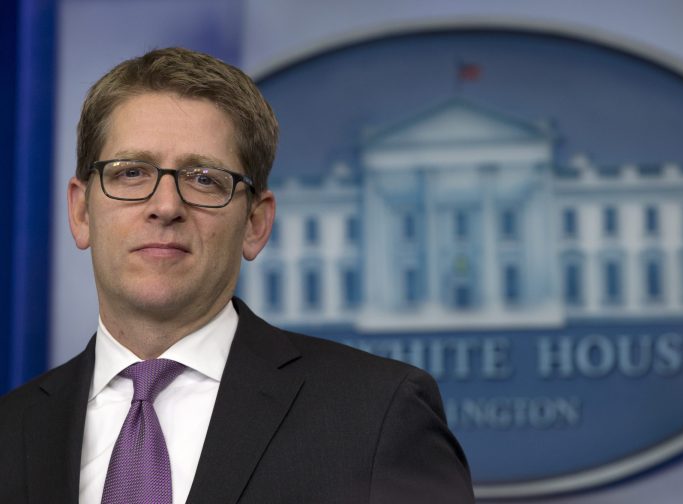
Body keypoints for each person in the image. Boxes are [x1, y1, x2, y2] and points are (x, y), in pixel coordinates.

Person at [0, 47, 474, 503]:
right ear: (81, 211)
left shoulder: (378, 417)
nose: (165, 206)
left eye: (204, 178)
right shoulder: (11, 429)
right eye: (130, 173)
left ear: (255, 223)